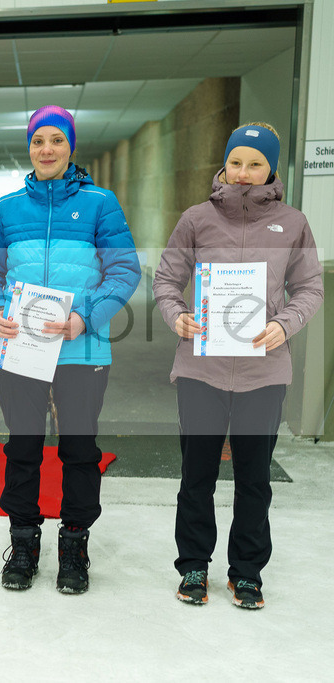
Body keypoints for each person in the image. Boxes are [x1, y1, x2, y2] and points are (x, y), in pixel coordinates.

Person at [0, 106, 140, 595]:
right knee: (22, 448)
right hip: (21, 349)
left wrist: (85, 316)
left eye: (57, 140)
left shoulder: (100, 203)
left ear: (71, 146)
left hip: (81, 349)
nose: (47, 149)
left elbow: (124, 269)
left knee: (80, 451)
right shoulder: (7, 208)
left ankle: (74, 546)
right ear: (29, 147)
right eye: (38, 141)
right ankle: (23, 543)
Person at [153, 123, 323, 609]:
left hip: (263, 373)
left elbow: (310, 287)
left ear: (271, 169)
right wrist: (177, 315)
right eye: (235, 162)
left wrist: (285, 325)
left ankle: (246, 572)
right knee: (196, 476)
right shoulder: (196, 219)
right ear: (224, 164)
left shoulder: (293, 223)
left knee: (254, 480)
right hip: (201, 370)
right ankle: (193, 565)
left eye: (255, 164)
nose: (243, 173)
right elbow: (166, 279)